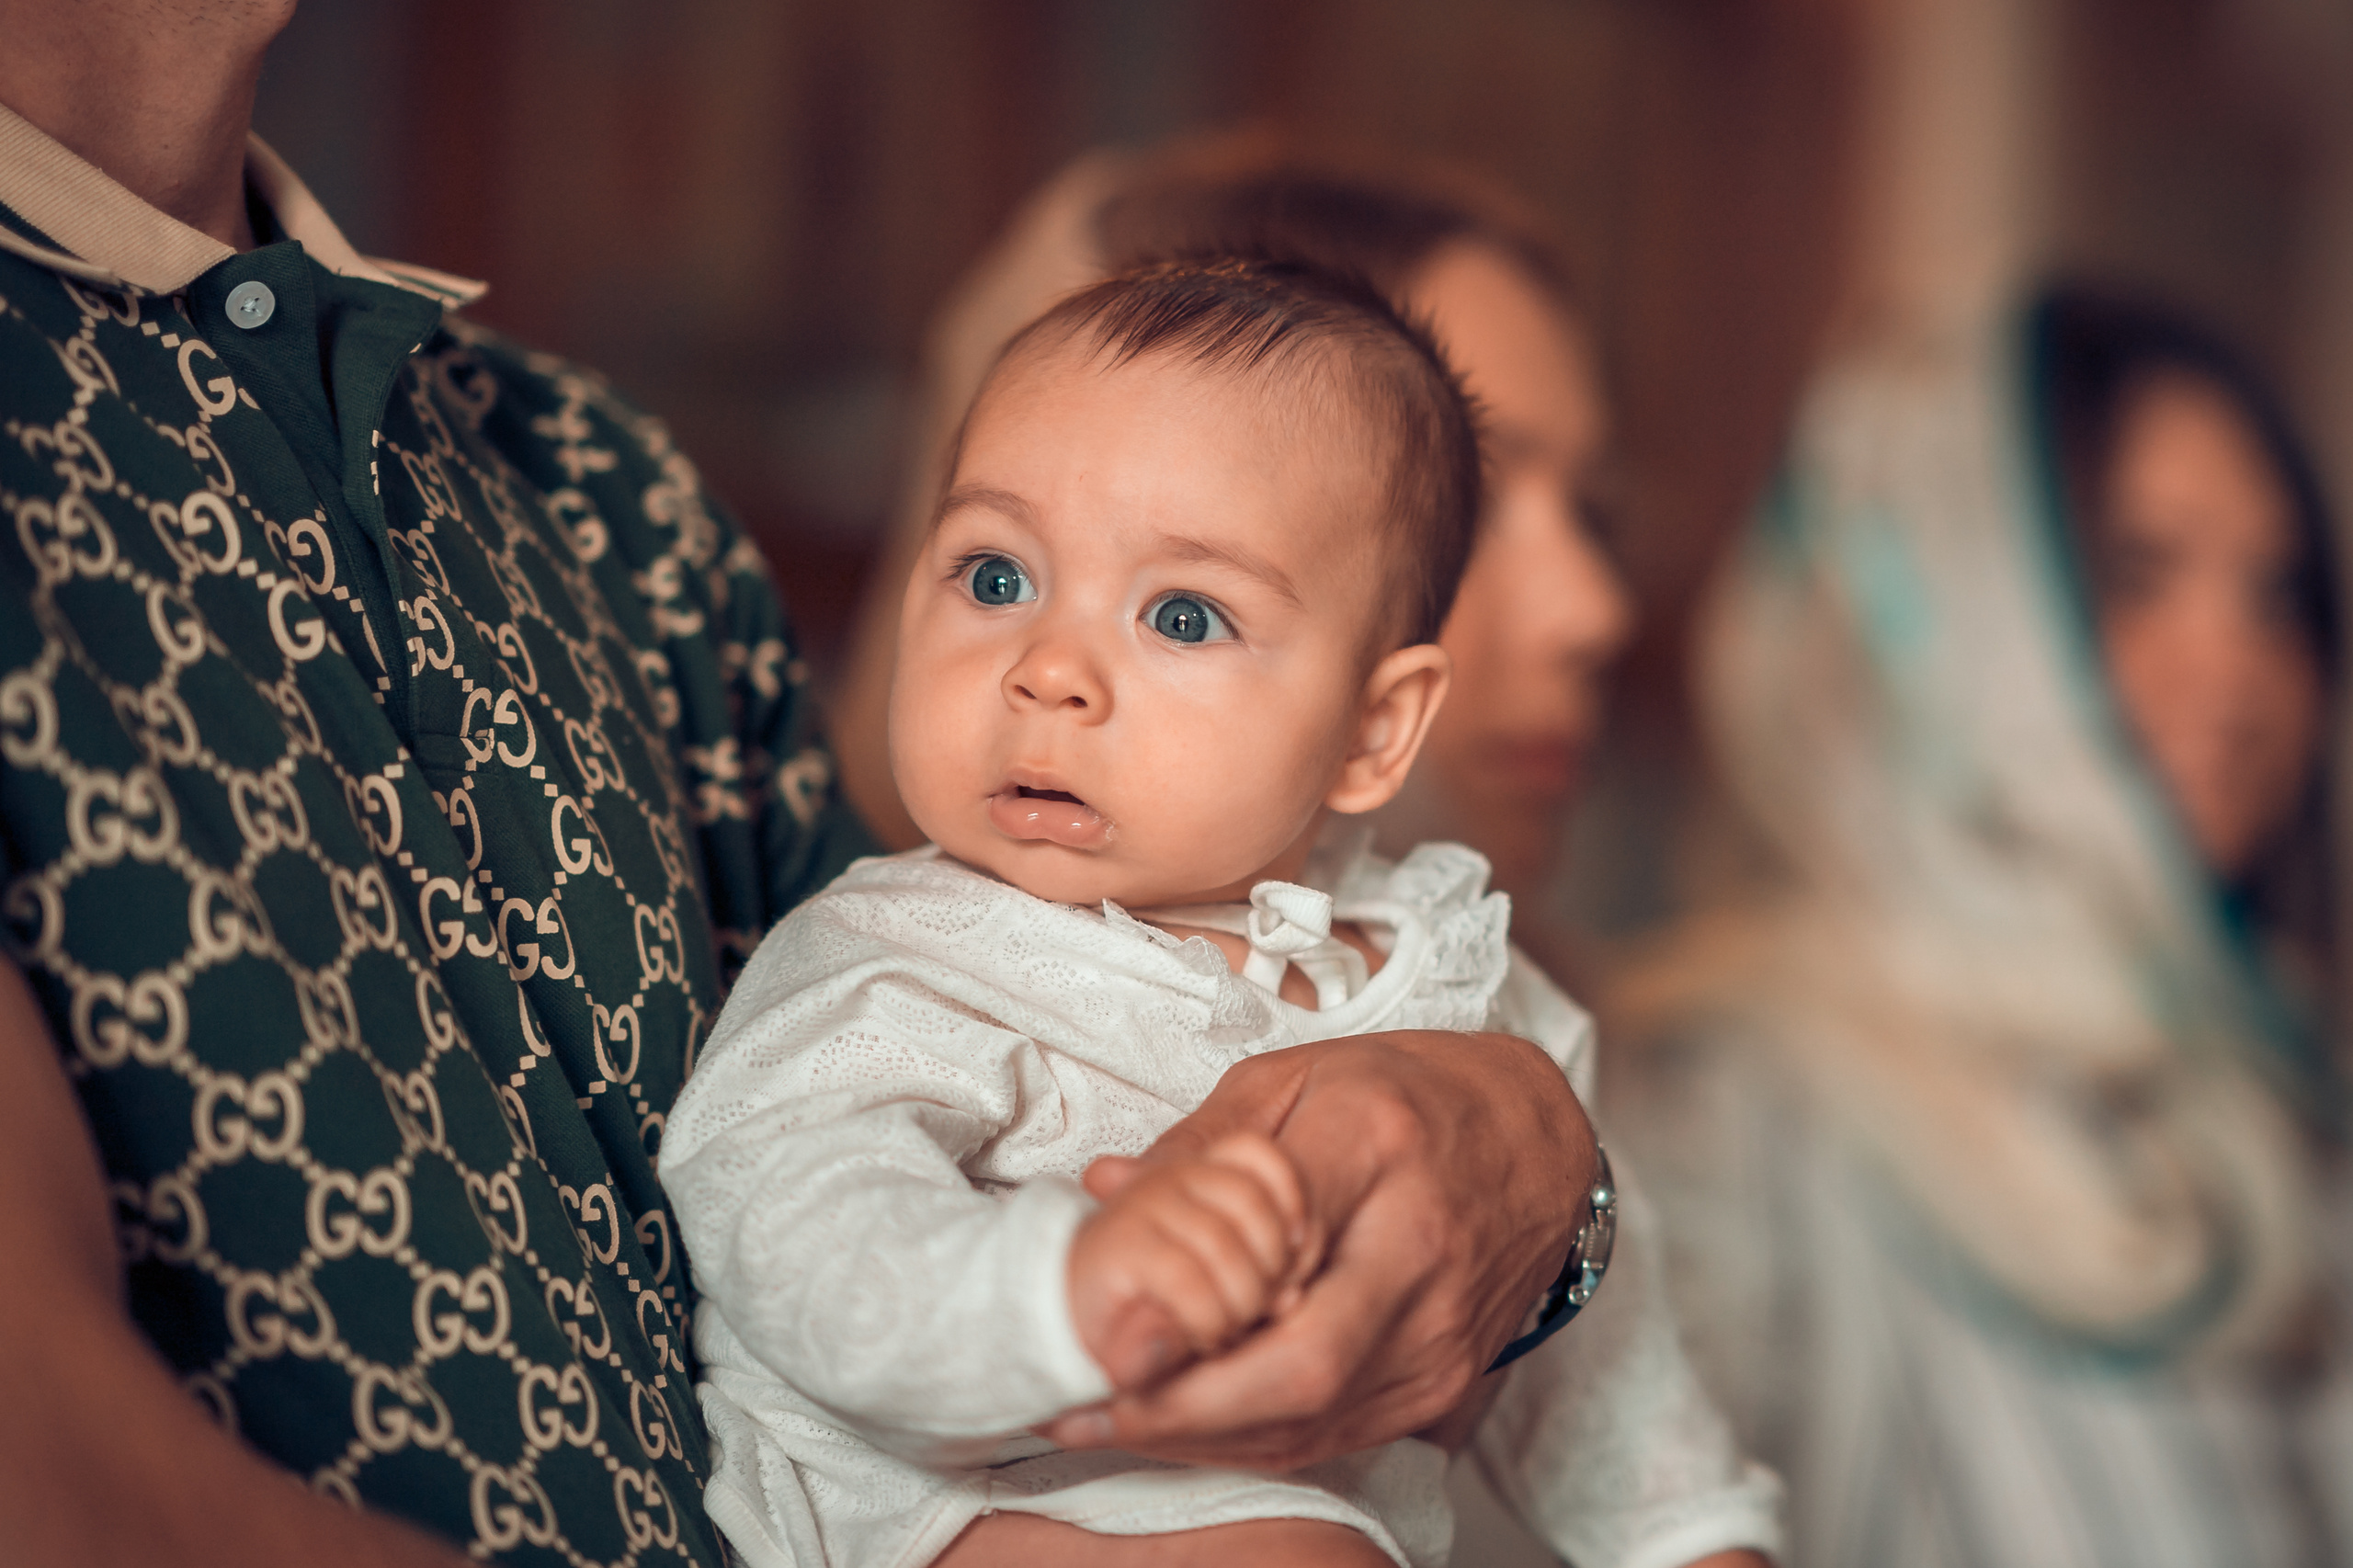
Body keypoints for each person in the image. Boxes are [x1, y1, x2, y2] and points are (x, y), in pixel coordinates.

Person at [0, 6, 1620, 1562]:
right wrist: (1078, 1318)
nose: (1052, 671)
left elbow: (984, 994)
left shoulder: (598, 485)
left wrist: (1549, 1172)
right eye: (990, 575)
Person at [665, 261, 1780, 1568]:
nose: (1049, 670)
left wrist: (1692, 1536)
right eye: (996, 576)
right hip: (933, 1509)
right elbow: (780, 1206)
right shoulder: (900, 957)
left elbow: (1591, 1349)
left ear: (1372, 730)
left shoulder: (1451, 985)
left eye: (1183, 615)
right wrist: (1065, 1290)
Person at [1608, 284, 2352, 1567]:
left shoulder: (2279, 1088)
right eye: (2136, 575)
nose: (2236, 668)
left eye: (2276, 595)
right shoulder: (1725, 1114)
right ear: (1946, 612)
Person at [830, 137, 1633, 961]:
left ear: (1380, 724)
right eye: (997, 580)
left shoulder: (1528, 1008)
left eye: (1595, 516)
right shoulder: (885, 984)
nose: (1593, 613)